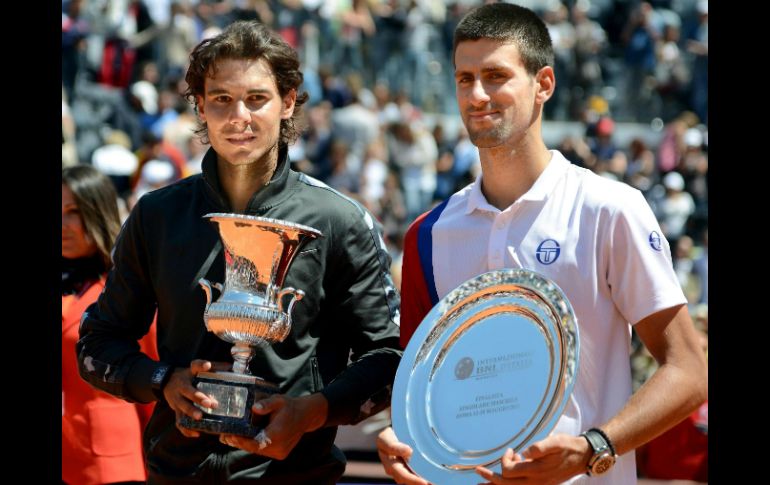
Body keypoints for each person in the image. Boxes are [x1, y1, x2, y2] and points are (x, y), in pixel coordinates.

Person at [376, 4, 707, 485]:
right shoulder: (427, 234)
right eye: (464, 78)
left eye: (495, 75)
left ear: (543, 84)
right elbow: (420, 393)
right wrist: (400, 433)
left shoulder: (609, 208)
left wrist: (594, 448)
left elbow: (689, 371)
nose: (477, 94)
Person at [77, 21, 402, 484]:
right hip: (174, 472)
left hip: (295, 473)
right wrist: (163, 381)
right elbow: (97, 343)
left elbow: (388, 356)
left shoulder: (340, 219)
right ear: (201, 107)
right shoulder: (157, 215)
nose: (238, 117)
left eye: (256, 98)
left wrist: (311, 412)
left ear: (288, 102)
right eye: (222, 99)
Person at [62, 165, 157, 485]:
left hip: (111, 462)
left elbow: (154, 381)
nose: (63, 224)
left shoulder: (126, 289)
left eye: (73, 211)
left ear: (97, 213)